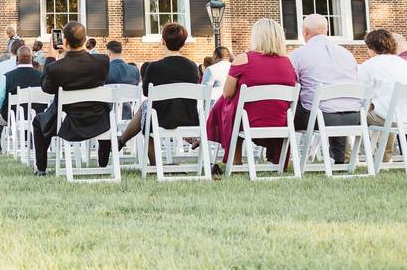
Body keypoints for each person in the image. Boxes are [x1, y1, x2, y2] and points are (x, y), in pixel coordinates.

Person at [205, 19, 297, 169]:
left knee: (228, 103)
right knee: (232, 105)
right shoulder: (288, 63)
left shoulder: (243, 59)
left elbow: (227, 93)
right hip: (280, 121)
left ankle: (235, 160)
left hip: (249, 121)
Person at [114, 23, 200, 165]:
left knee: (146, 108)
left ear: (163, 41)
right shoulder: (192, 67)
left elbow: (147, 92)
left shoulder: (154, 67)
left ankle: (153, 164)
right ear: (183, 43)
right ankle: (192, 138)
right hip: (188, 117)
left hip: (160, 118)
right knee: (148, 107)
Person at [30, 22, 109, 175]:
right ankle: (103, 165)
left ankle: (41, 169)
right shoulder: (102, 61)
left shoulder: (55, 67)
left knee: (38, 121)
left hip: (67, 123)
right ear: (85, 39)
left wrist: (53, 56)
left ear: (64, 42)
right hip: (98, 120)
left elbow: (46, 88)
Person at [289, 13, 361, 164]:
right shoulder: (347, 54)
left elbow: (291, 85)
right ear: (326, 31)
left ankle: (285, 158)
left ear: (305, 32)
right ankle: (339, 159)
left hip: (319, 118)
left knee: (288, 111)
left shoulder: (299, 54)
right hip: (355, 117)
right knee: (336, 104)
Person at [358, 29, 407, 163]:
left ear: (372, 48)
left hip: (386, 118)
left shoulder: (368, 66)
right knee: (387, 111)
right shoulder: (403, 63)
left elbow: (362, 96)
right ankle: (385, 158)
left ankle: (352, 158)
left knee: (357, 115)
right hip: (404, 117)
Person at [0, 46, 42, 155]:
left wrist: (1, 108)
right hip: (38, 116)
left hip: (12, 116)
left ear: (17, 59)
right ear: (31, 59)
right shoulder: (42, 76)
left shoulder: (7, 77)